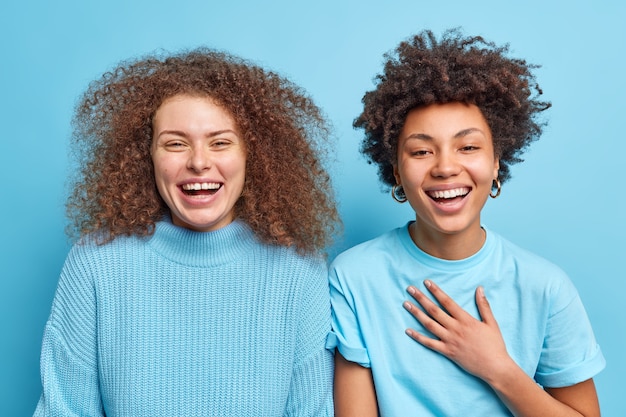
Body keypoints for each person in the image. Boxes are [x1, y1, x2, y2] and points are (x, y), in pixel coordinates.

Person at [34, 48, 339, 416]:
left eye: (220, 142)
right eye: (175, 143)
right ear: (146, 154)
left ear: (252, 155)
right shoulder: (96, 265)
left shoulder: (299, 271)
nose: (198, 161)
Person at [329, 29, 605, 417]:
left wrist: (498, 369)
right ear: (395, 171)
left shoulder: (545, 287)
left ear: (496, 164)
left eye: (469, 147)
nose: (445, 167)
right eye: (422, 150)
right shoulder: (355, 278)